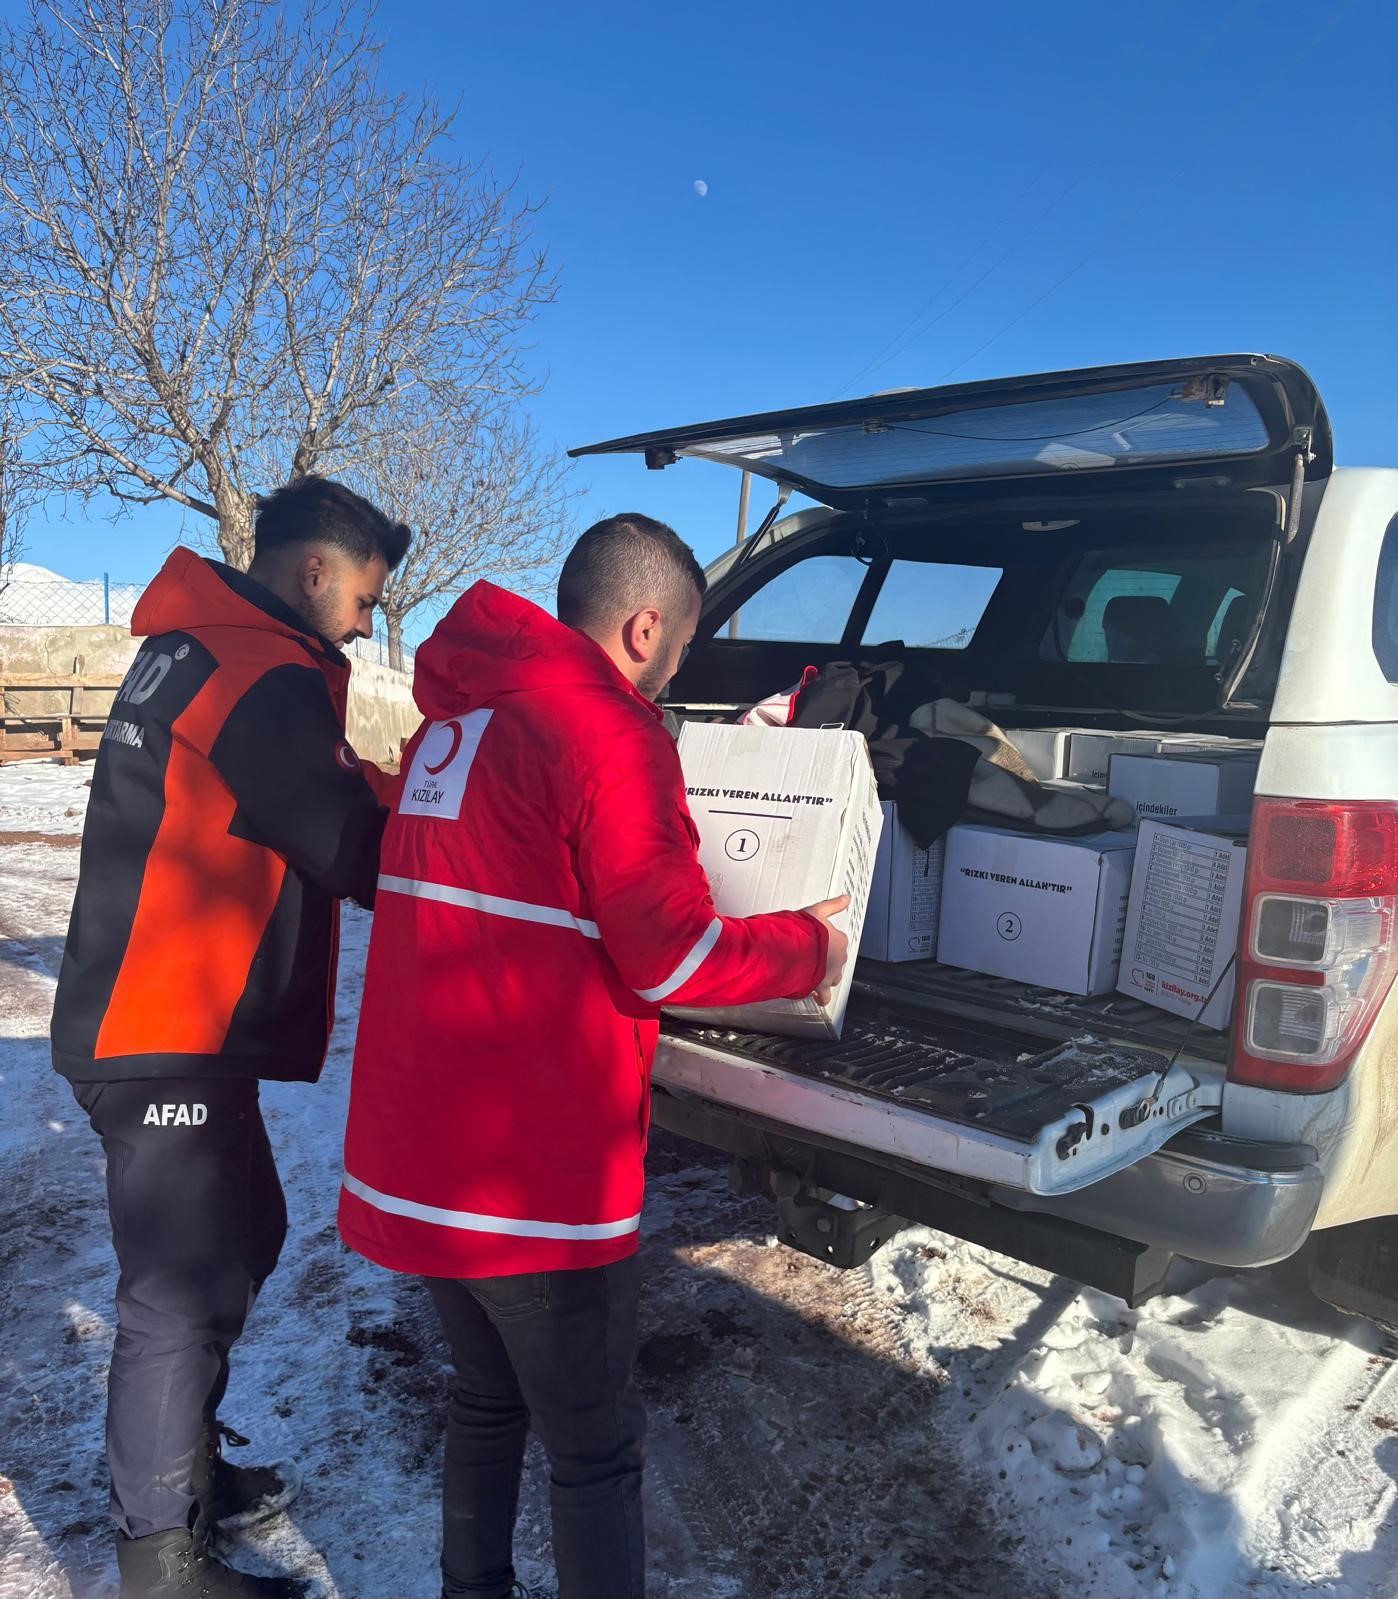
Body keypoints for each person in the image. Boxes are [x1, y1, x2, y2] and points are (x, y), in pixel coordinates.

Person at [339, 513, 849, 1599]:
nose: (678, 671)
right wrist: (813, 943)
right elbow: (670, 957)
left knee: (483, 1404)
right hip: (531, 1179)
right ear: (646, 627)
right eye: (682, 648)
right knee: (594, 1449)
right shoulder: (606, 737)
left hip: (424, 1158)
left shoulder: (454, 729)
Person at [51, 476, 411, 1599]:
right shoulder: (256, 670)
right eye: (364, 597)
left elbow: (321, 790)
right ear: (315, 570)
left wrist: (412, 785)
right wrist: (471, 818)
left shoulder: (214, 648)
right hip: (160, 1024)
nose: (365, 622)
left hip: (174, 1021)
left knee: (247, 1234)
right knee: (183, 1283)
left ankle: (184, 1465)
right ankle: (159, 1561)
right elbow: (352, 847)